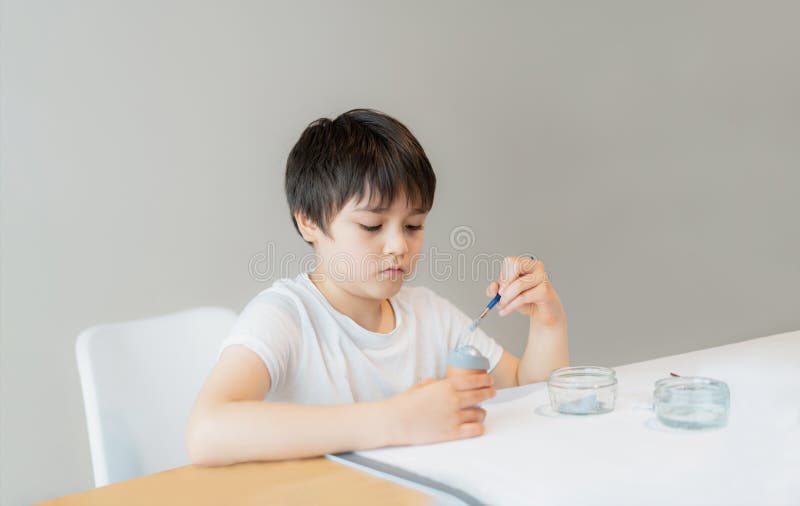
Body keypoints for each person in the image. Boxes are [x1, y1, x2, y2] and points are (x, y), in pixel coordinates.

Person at [186, 109, 569, 466]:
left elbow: (529, 393)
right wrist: (394, 421)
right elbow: (207, 431)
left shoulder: (429, 314)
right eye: (372, 226)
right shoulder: (286, 317)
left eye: (413, 226)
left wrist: (547, 322)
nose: (398, 246)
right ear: (309, 223)